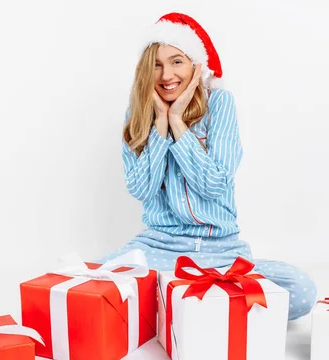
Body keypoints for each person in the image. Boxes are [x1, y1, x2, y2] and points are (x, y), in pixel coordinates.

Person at [94, 12, 316, 320]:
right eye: (156, 64)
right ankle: (185, 303)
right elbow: (142, 190)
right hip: (159, 247)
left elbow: (213, 185)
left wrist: (177, 122)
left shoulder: (220, 104)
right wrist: (160, 123)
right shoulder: (138, 113)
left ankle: (175, 303)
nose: (166, 74)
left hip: (221, 251)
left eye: (176, 61)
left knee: (300, 289)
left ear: (196, 67)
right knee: (91, 285)